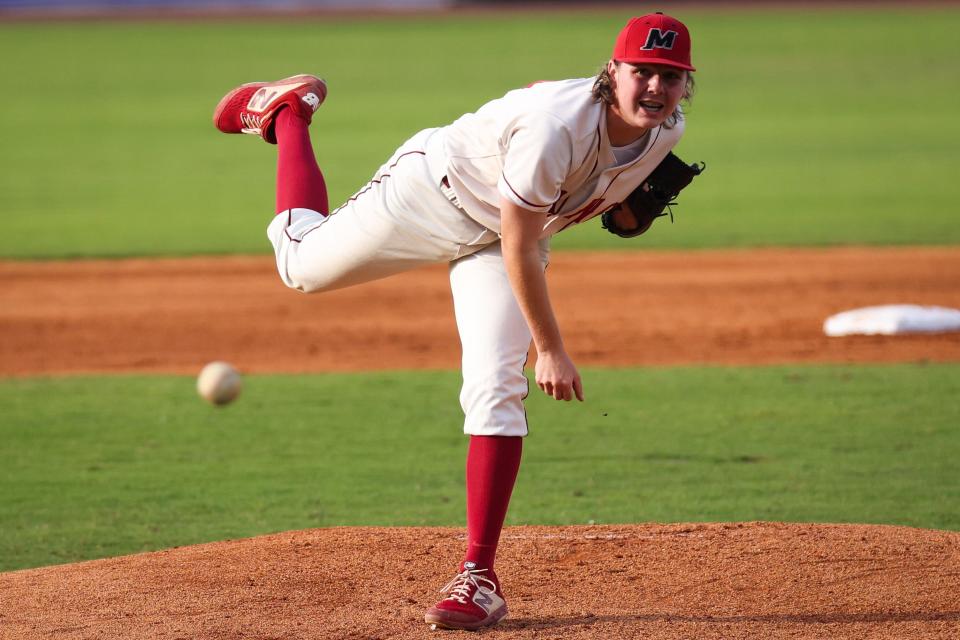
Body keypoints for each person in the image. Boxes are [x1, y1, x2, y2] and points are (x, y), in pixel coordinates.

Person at [212, 12, 695, 631]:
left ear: (686, 84)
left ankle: (478, 577)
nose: (656, 88)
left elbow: (579, 210)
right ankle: (288, 114)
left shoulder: (668, 131)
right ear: (614, 71)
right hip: (431, 195)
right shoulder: (555, 130)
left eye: (671, 77)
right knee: (301, 267)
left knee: (496, 387)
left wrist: (627, 211)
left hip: (503, 238)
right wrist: (550, 348)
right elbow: (523, 246)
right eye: (643, 72)